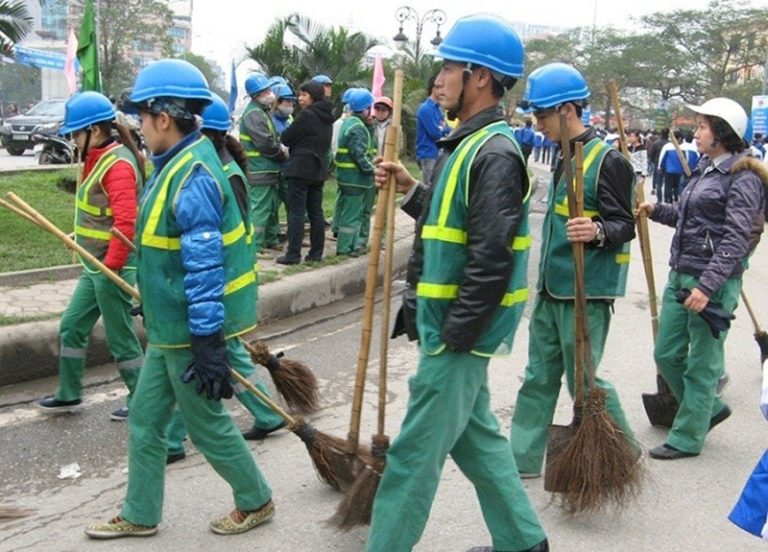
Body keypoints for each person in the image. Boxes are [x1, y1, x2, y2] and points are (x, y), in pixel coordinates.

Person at [367, 14, 548, 552]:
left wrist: (457, 336)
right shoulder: (464, 145)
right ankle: (523, 541)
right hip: (452, 326)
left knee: (411, 458)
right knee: (479, 441)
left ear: (482, 78)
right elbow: (455, 226)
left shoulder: (492, 152)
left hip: (459, 331)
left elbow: (490, 258)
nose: (438, 77)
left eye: (450, 66)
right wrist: (409, 187)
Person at [84, 59, 275, 538]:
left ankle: (256, 499)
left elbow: (205, 265)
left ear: (163, 118)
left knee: (207, 425)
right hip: (170, 330)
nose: (139, 130)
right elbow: (164, 252)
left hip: (189, 334)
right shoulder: (173, 166)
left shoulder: (192, 177)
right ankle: (140, 513)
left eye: (142, 119)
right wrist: (152, 297)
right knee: (146, 423)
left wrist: (207, 339)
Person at [510, 62, 639, 479]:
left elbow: (626, 225)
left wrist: (598, 229)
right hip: (551, 289)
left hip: (586, 292)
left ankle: (625, 448)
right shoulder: (562, 158)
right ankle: (522, 460)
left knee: (584, 382)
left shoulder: (609, 162)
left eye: (542, 115)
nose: (538, 124)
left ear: (567, 110)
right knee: (538, 376)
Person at [638, 97, 767, 460]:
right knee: (666, 353)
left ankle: (688, 437)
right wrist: (658, 209)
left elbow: (736, 237)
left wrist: (707, 287)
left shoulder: (743, 178)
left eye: (703, 127)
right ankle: (707, 409)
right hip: (681, 273)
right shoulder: (708, 169)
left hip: (712, 282)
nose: (696, 133)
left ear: (723, 134)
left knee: (702, 363)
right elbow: (689, 215)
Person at [164, 94, 285, 464]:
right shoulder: (218, 167)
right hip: (224, 284)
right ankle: (172, 436)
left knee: (214, 356)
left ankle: (172, 438)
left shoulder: (222, 176)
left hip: (225, 285)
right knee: (219, 357)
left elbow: (215, 241)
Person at [37, 91, 144, 422]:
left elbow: (126, 223)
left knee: (121, 339)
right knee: (71, 326)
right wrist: (79, 237)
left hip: (114, 266)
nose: (72, 140)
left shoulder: (119, 165)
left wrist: (110, 265)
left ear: (94, 132)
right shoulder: (97, 159)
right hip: (94, 265)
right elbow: (101, 215)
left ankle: (142, 400)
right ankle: (69, 393)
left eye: (75, 133)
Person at [277, 80, 334, 264]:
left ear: (313, 96)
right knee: (316, 212)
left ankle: (293, 254)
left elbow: (286, 137)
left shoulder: (307, 115)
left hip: (300, 168)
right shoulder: (327, 117)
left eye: (304, 95)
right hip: (318, 169)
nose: (300, 99)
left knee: (296, 212)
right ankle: (316, 253)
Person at [239, 73, 288, 257]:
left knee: (272, 207)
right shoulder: (254, 114)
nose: (270, 93)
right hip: (259, 168)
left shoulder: (262, 111)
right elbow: (266, 143)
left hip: (268, 169)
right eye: (266, 91)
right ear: (256, 95)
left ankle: (271, 239)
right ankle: (256, 246)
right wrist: (281, 152)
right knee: (260, 209)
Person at [334, 88, 376, 257]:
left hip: (346, 177)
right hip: (354, 179)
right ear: (365, 109)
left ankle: (348, 245)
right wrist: (372, 169)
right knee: (352, 215)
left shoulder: (349, 122)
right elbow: (359, 155)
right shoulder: (358, 128)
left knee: (349, 212)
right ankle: (345, 248)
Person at [415, 74, 450, 185]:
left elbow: (447, 129)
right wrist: (443, 129)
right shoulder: (425, 109)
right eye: (441, 87)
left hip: (437, 154)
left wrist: (443, 129)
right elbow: (434, 133)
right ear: (434, 89)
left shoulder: (438, 109)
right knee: (429, 188)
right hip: (427, 155)